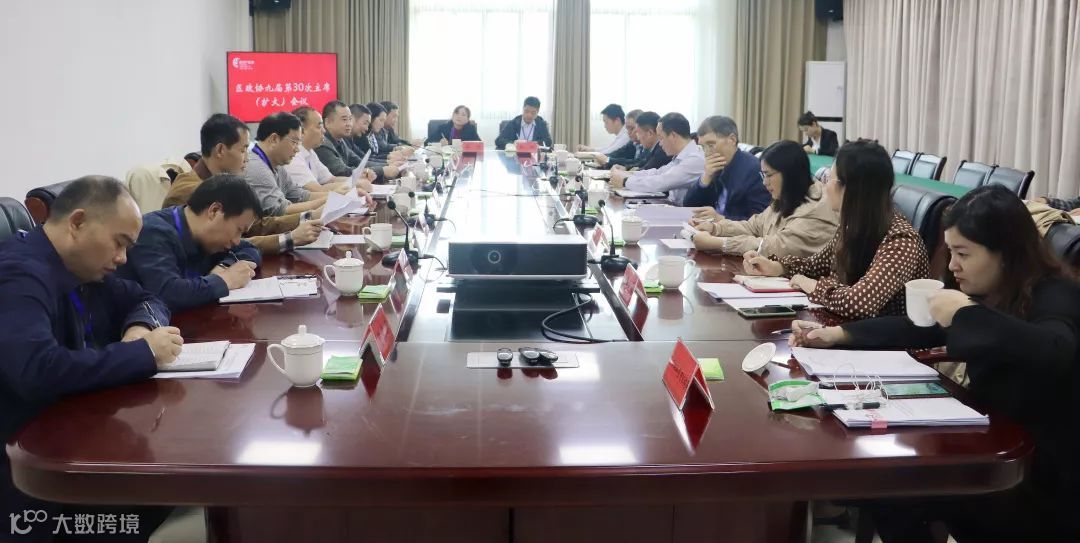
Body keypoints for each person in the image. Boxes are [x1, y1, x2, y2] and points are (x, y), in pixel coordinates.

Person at [789, 184, 1080, 541]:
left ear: (1006, 253)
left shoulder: (1057, 295)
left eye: (963, 254)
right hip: (987, 443)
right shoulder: (991, 291)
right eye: (951, 252)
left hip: (1036, 475)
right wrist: (838, 335)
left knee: (893, 491)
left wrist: (966, 312)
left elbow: (1053, 350)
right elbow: (920, 327)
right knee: (883, 485)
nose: (953, 265)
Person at [0, 176, 182, 541]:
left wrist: (140, 327)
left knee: (172, 482)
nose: (123, 258)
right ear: (78, 222)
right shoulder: (20, 273)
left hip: (75, 434)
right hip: (29, 471)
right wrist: (142, 353)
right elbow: (37, 370)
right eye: (119, 242)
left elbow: (149, 299)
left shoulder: (78, 267)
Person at [742, 140, 929, 319]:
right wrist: (777, 267)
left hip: (884, 338)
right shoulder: (852, 224)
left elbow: (860, 303)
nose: (824, 186)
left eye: (829, 179)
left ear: (851, 189)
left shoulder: (901, 240)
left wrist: (813, 286)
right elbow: (816, 265)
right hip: (846, 327)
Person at [164, 113, 323, 255]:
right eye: (243, 150)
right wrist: (290, 238)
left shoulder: (225, 184)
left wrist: (308, 217)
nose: (247, 158)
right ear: (220, 150)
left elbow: (256, 225)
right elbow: (225, 245)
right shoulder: (189, 191)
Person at [121, 174, 263, 312]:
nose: (236, 240)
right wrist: (225, 280)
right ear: (214, 211)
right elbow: (168, 293)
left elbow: (251, 250)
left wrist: (224, 266)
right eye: (239, 230)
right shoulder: (153, 232)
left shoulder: (209, 238)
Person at [689, 140, 838, 257]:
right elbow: (754, 226)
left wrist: (719, 243)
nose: (764, 182)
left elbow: (774, 247)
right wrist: (715, 228)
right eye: (763, 175)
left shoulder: (816, 208)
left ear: (790, 174)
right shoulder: (788, 197)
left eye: (769, 175)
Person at [246, 111, 353, 217]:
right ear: (274, 139)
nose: (297, 149)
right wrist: (330, 199)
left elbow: (299, 195)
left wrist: (335, 195)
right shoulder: (257, 168)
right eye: (294, 142)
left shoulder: (276, 164)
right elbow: (280, 210)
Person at [683, 116, 771, 221]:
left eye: (711, 145)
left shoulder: (753, 170)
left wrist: (721, 218)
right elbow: (688, 206)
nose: (706, 153)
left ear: (732, 140)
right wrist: (705, 178)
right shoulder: (716, 167)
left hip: (732, 230)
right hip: (710, 227)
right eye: (703, 147)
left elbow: (760, 221)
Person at [609, 112, 704, 204]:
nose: (660, 144)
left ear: (673, 136)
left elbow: (662, 181)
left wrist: (625, 181)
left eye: (661, 138)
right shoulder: (682, 156)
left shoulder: (695, 159)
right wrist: (627, 174)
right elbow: (658, 172)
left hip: (684, 212)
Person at [285, 105, 375, 193]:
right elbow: (317, 190)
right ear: (302, 131)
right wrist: (355, 184)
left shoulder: (310, 152)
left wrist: (357, 179)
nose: (324, 131)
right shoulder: (293, 156)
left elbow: (331, 179)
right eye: (319, 127)